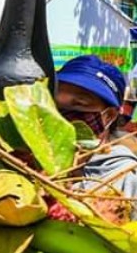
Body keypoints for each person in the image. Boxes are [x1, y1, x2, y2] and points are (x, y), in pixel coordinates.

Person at [54, 55, 137, 220]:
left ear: (109, 116)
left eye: (79, 104)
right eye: (54, 104)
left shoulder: (126, 178)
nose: (60, 116)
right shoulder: (28, 160)